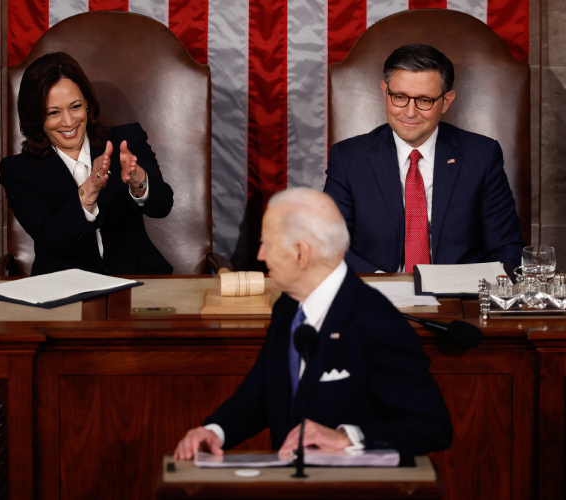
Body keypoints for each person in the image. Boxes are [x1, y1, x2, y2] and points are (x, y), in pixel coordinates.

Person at [174, 188, 452, 460]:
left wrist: (348, 437)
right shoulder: (287, 306)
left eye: (267, 244)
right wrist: (215, 431)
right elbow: (260, 393)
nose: (260, 255)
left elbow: (433, 427)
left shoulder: (377, 323)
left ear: (301, 253)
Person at [324, 44, 525, 273]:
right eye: (399, 97)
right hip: (376, 296)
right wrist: (384, 285)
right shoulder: (349, 158)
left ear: (446, 101)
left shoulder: (481, 156)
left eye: (425, 100)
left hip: (459, 300)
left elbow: (507, 248)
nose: (410, 112)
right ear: (384, 92)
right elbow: (328, 245)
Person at [0, 52, 174, 276]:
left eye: (75, 106)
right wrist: (89, 191)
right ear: (36, 118)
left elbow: (163, 206)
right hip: (64, 288)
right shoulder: (18, 171)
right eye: (53, 112)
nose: (69, 121)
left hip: (138, 279)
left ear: (87, 104)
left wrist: (140, 182)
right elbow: (50, 236)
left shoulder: (126, 140)